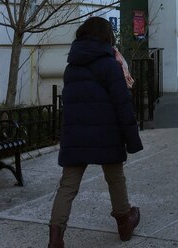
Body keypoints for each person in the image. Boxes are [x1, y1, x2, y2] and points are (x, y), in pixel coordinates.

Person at [48, 17, 143, 247]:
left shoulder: (71, 67)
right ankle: (124, 221)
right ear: (105, 37)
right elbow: (123, 104)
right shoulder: (110, 65)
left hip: (77, 135)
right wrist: (132, 141)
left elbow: (70, 103)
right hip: (106, 134)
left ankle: (55, 237)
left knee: (68, 185)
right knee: (115, 178)